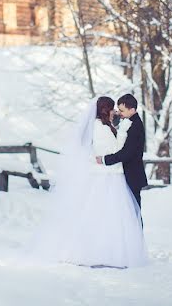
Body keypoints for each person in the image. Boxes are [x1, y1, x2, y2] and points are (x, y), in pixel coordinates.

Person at [29, 96, 147, 268]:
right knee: (107, 215)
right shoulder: (101, 128)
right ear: (105, 110)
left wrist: (118, 134)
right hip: (107, 175)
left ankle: (120, 250)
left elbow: (120, 151)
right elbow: (115, 150)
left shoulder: (108, 126)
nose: (116, 112)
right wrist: (119, 135)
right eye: (113, 108)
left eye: (119, 109)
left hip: (113, 174)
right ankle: (104, 251)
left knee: (115, 215)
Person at [96, 93, 146, 212]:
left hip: (132, 175)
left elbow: (126, 153)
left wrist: (104, 159)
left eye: (122, 110)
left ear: (132, 110)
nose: (118, 113)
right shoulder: (129, 121)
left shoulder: (135, 126)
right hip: (127, 174)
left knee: (134, 212)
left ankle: (136, 231)